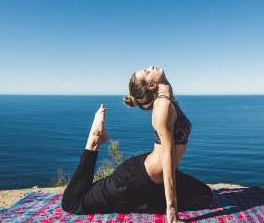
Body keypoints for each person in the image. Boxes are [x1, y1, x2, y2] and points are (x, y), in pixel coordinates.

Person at [61, 66, 213, 223]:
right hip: (133, 179)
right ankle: (94, 141)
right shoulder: (163, 106)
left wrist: (162, 83)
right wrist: (172, 211)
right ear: (152, 85)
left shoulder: (168, 97)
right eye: (147, 72)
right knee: (73, 203)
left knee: (204, 196)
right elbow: (167, 160)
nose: (150, 67)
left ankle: (143, 200)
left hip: (154, 177)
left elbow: (166, 88)